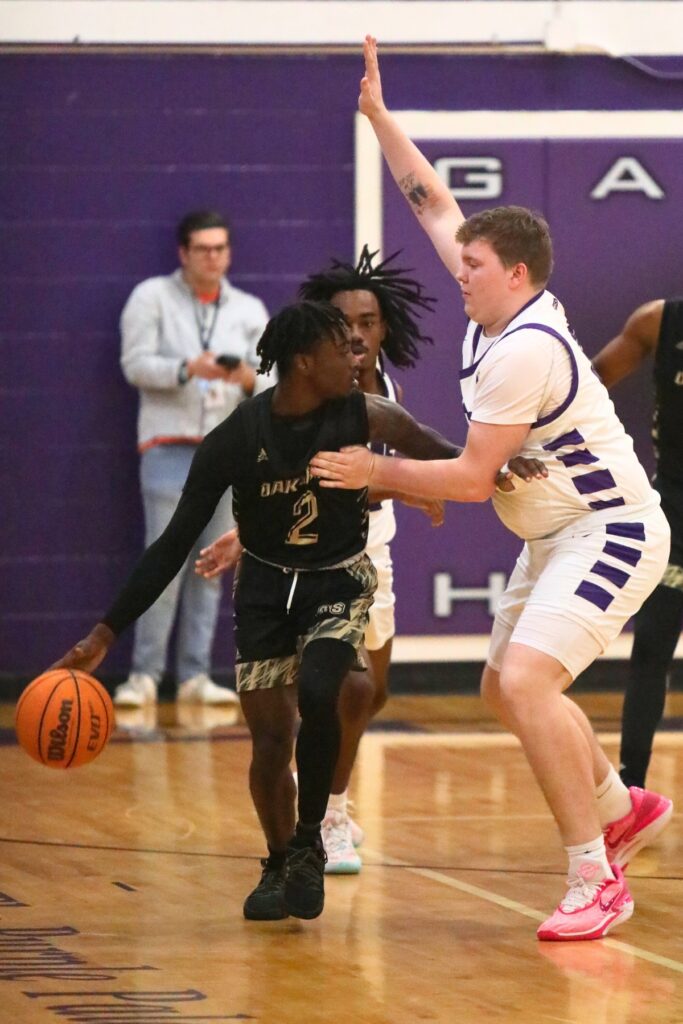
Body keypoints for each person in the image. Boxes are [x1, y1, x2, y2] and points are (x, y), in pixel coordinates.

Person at [309, 36, 674, 942]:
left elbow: (472, 480)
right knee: (501, 686)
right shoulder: (498, 301)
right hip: (557, 533)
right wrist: (382, 120)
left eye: (470, 268)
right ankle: (615, 804)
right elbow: (432, 201)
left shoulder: (522, 350)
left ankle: (595, 876)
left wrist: (376, 471)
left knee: (527, 680)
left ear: (515, 274)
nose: (454, 273)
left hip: (611, 529)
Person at [54, 299, 470, 923]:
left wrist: (501, 467)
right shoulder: (237, 437)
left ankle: (309, 846)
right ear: (303, 362)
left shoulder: (364, 412)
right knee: (271, 740)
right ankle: (278, 861)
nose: (357, 352)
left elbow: (444, 451)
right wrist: (104, 631)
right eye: (341, 346)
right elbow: (172, 544)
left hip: (337, 579)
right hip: (266, 591)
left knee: (326, 688)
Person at [196, 246, 448, 875]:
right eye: (344, 323)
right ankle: (323, 819)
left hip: (369, 545)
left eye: (367, 322)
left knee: (373, 692)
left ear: (382, 327)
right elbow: (297, 479)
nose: (356, 334)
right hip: (305, 559)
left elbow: (367, 472)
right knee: (344, 690)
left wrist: (416, 483)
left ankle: (326, 803)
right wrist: (243, 535)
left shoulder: (383, 390)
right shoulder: (297, 391)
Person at [115, 209, 270, 708]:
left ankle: (194, 675)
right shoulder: (151, 297)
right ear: (183, 252)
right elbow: (135, 364)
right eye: (203, 248)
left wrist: (245, 378)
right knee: (162, 560)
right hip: (169, 447)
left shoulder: (248, 308)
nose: (213, 257)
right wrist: (187, 369)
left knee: (213, 562)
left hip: (226, 452)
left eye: (220, 248)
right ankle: (143, 674)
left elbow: (272, 380)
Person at [593, 298, 683, 789]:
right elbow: (589, 387)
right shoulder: (658, 322)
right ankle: (633, 787)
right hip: (674, 506)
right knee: (651, 645)